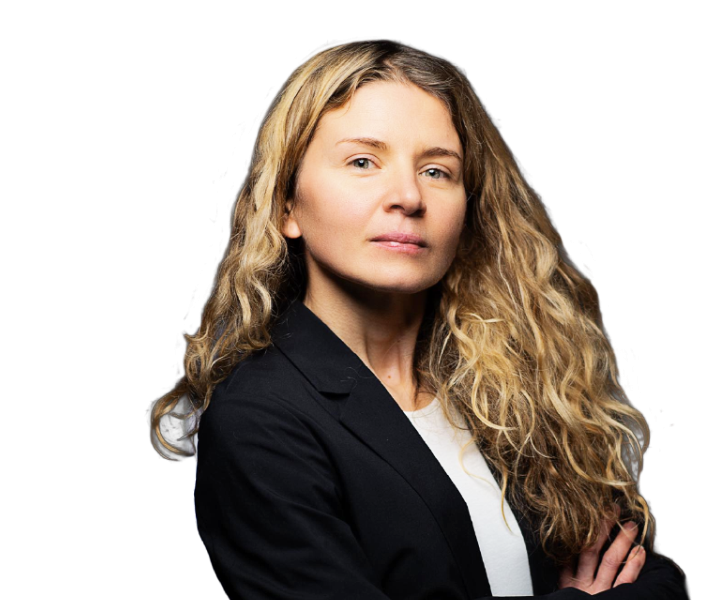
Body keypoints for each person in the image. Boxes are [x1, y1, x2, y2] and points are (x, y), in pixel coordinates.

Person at [148, 38, 690, 599]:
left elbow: (654, 578)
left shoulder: (514, 383)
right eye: (363, 162)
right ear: (287, 206)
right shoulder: (259, 418)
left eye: (437, 170)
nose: (408, 196)